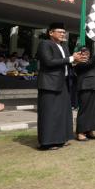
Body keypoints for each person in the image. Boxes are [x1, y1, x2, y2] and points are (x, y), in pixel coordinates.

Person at [36, 22, 85, 150]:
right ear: (51, 33)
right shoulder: (45, 44)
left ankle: (60, 139)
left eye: (64, 32)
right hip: (49, 83)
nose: (63, 34)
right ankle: (47, 142)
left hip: (63, 83)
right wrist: (70, 59)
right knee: (49, 113)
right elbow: (48, 62)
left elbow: (66, 63)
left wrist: (75, 62)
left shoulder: (64, 47)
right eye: (60, 32)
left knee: (62, 113)